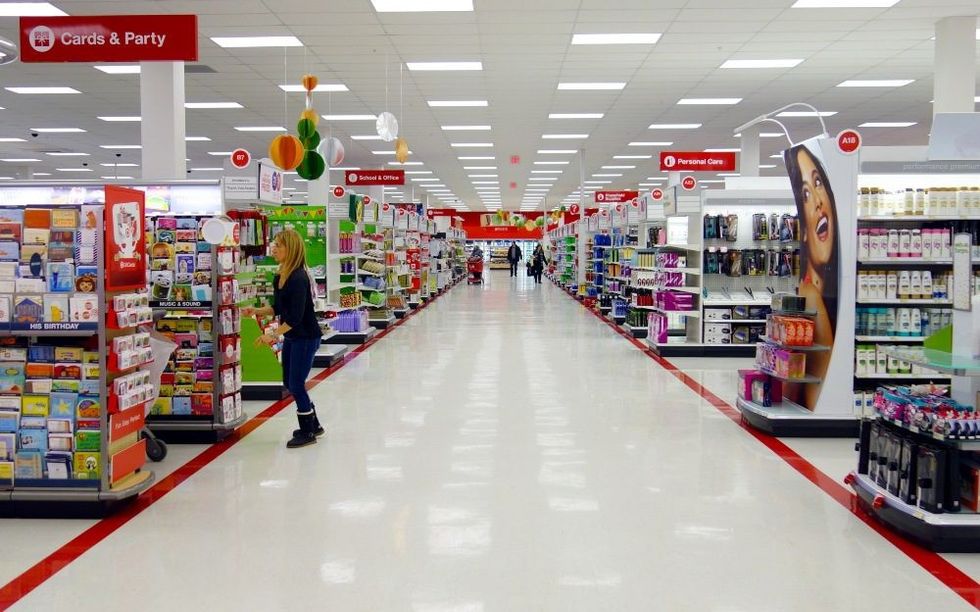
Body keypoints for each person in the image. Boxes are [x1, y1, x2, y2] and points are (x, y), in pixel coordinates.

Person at [242, 229, 324, 448]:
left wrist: (271, 335)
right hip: (292, 336)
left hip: (305, 337)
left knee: (296, 384)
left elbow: (295, 318)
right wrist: (255, 311)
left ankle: (307, 431)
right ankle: (313, 423)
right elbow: (278, 308)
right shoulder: (280, 275)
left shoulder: (298, 278)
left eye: (279, 245)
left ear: (292, 248)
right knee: (290, 382)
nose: (274, 248)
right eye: (274, 243)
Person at [785, 144, 839, 409]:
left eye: (818, 183)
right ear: (803, 230)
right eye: (805, 194)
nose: (818, 201)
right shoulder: (811, 295)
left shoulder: (812, 294)